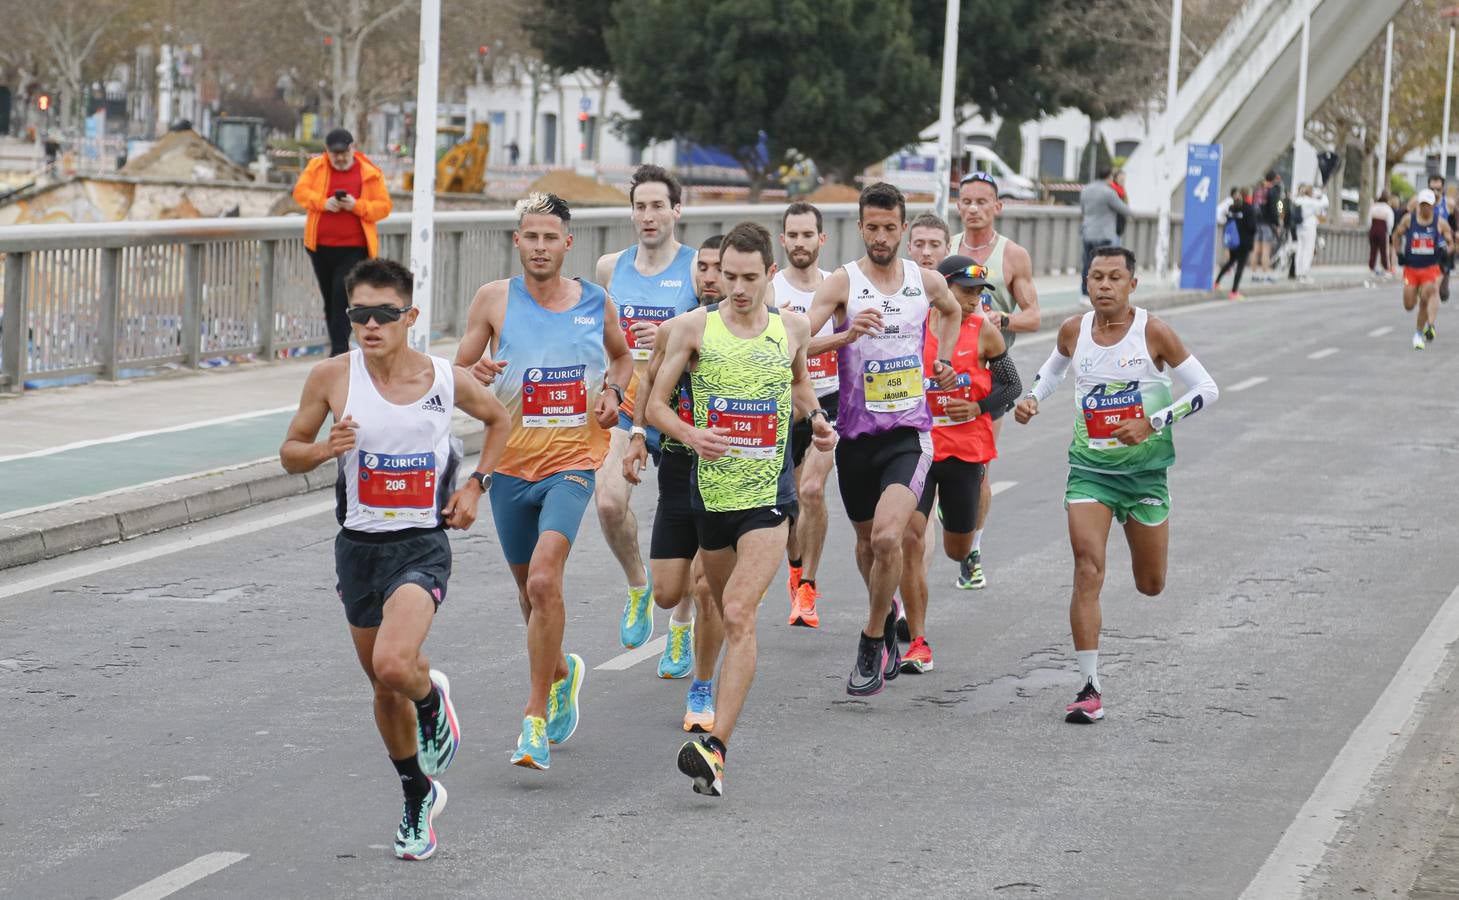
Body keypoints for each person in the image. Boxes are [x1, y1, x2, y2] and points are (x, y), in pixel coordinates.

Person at [279, 257, 510, 859]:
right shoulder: (332, 376)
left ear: (409, 317)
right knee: (383, 688)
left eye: (385, 314)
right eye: (360, 314)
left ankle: (431, 700)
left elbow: (498, 418)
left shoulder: (442, 379)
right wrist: (323, 446)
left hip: (420, 545)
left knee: (393, 663)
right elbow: (289, 453)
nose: (372, 325)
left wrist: (475, 485)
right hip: (358, 549)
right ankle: (417, 795)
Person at [646, 222, 833, 796]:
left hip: (766, 500)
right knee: (706, 599)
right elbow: (654, 403)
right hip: (710, 495)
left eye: (750, 278)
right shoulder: (693, 329)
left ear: (770, 275)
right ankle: (702, 681)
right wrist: (690, 433)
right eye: (729, 277)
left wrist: (820, 422)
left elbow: (801, 391)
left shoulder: (792, 328)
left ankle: (716, 747)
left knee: (739, 612)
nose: (738, 288)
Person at [454, 193, 633, 769]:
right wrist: (474, 373)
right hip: (508, 466)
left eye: (549, 237)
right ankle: (561, 669)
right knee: (528, 591)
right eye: (530, 237)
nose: (539, 247)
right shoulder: (493, 299)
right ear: (517, 241)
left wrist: (612, 393)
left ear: (567, 244)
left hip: (572, 462)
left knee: (545, 577)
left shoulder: (595, 301)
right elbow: (457, 371)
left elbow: (622, 359)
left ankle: (534, 719)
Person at [1014, 246, 1219, 724]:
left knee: (1151, 585)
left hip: (1145, 475)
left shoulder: (1155, 333)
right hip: (1091, 472)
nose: (1104, 286)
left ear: (1132, 284)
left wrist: (1155, 421)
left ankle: (1144, 549)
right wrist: (1031, 399)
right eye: (1095, 277)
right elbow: (1054, 369)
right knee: (1087, 568)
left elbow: (1208, 389)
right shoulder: (1074, 330)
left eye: (1114, 278)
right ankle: (1089, 686)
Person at [805, 182, 962, 697]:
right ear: (859, 227)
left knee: (889, 538)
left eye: (889, 227)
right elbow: (798, 343)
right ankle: (887, 608)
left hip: (909, 435)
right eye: (871, 227)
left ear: (904, 227)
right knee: (867, 545)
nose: (879, 236)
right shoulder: (842, 284)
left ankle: (873, 639)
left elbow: (952, 310)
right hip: (855, 438)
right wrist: (846, 336)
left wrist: (941, 359)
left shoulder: (925, 281)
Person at [594, 165, 701, 666]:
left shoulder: (699, 265)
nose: (649, 215)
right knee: (610, 504)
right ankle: (639, 585)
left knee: (687, 525)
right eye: (640, 206)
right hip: (626, 406)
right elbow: (601, 339)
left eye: (659, 205)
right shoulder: (610, 267)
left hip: (680, 411)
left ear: (677, 210)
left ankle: (681, 623)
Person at [898, 256, 1022, 673]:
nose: (973, 301)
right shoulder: (915, 327)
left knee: (956, 549)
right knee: (912, 539)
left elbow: (1012, 384)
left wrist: (978, 406)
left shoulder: (984, 331)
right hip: (917, 447)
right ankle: (917, 640)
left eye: (979, 293)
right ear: (942, 289)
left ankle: (959, 530)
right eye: (966, 291)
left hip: (965, 451)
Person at [624, 234, 726, 728]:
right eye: (702, 266)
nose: (709, 276)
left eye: (719, 268)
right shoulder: (679, 327)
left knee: (707, 583)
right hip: (680, 462)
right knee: (668, 590)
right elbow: (647, 381)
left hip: (729, 471)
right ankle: (678, 613)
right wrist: (639, 433)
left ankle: (699, 665)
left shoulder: (754, 329)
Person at [953, 170, 1042, 589]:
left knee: (979, 469)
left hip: (992, 378)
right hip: (945, 375)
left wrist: (1000, 317)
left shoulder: (1012, 256)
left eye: (981, 202)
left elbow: (1034, 315)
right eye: (966, 201)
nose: (973, 208)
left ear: (997, 207)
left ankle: (972, 551)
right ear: (957, 206)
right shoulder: (945, 251)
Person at [773, 202, 838, 627]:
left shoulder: (836, 287)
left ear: (821, 239)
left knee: (812, 490)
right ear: (783, 240)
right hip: (782, 405)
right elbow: (781, 349)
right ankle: (795, 567)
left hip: (829, 402)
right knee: (791, 503)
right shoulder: (770, 289)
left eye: (807, 235)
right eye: (792, 235)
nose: (800, 243)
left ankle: (809, 586)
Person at [292, 128, 393, 356]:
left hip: (354, 248)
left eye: (342, 152)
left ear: (352, 148)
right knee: (329, 297)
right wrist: (322, 202)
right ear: (327, 151)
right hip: (320, 247)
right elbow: (300, 192)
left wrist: (356, 205)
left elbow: (384, 207)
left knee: (341, 295)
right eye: (333, 153)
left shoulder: (368, 172)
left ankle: (339, 350)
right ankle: (337, 346)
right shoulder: (316, 167)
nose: (338, 158)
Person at [1392, 188, 1452, 350]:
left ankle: (1421, 332)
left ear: (1433, 206)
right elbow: (1395, 236)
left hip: (1430, 268)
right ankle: (1421, 312)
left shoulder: (1439, 222)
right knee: (1409, 305)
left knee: (1427, 296)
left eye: (1428, 205)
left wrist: (1446, 252)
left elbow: (1450, 240)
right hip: (1411, 268)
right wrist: (1399, 253)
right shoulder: (1408, 220)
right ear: (1418, 205)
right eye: (1422, 205)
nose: (1425, 208)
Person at [1079, 165, 1134, 296]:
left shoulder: (1086, 190)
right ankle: (1102, 293)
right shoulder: (1108, 192)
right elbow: (1124, 210)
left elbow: (1082, 210)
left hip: (1087, 233)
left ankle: (1084, 293)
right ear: (1109, 177)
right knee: (1105, 268)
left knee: (1088, 265)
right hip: (1104, 235)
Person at [1214, 188, 1256, 300]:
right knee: (1240, 267)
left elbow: (1227, 219)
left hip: (1233, 240)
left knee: (1230, 262)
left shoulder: (1233, 207)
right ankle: (1234, 292)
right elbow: (1252, 227)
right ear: (1248, 196)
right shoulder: (1249, 209)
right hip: (1244, 242)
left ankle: (1216, 282)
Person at [1292, 184, 1325, 282]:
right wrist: (1322, 194)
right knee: (1308, 250)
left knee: (1300, 250)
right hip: (1309, 228)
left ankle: (1298, 272)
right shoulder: (1311, 202)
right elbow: (1324, 203)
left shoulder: (1298, 200)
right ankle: (1304, 273)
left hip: (1299, 227)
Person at [1369, 192, 1395, 277]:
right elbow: (1390, 222)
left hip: (1373, 229)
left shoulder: (1374, 207)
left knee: (1373, 251)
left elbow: (1369, 220)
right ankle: (1386, 269)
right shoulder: (1388, 209)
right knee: (1384, 251)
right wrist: (1389, 232)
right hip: (1382, 231)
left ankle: (1372, 268)